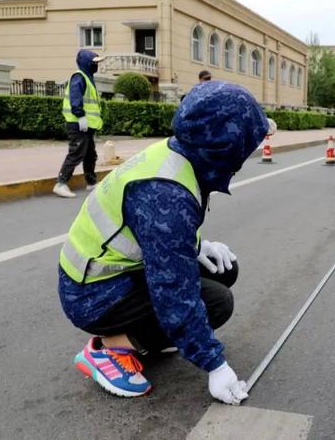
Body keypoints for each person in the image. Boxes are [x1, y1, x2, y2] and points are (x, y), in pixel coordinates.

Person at [57, 81, 268, 405]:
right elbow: (173, 290)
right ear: (224, 148)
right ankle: (107, 349)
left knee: (224, 269)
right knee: (216, 302)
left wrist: (199, 247)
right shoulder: (164, 195)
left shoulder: (182, 150)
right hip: (93, 293)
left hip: (111, 275)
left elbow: (161, 237)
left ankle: (152, 335)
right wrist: (214, 364)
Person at [53, 49, 106, 198]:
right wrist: (80, 116)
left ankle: (91, 182)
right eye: (94, 63)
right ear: (86, 63)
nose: (96, 66)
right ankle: (61, 184)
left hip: (86, 125)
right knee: (76, 153)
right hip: (78, 124)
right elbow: (75, 98)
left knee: (90, 155)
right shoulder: (79, 77)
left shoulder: (88, 77)